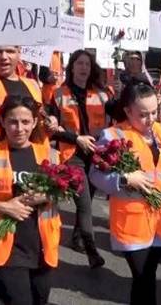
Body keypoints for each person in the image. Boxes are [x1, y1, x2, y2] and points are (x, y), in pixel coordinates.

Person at [90, 83, 161, 305]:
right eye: (142, 114)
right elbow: (95, 174)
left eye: (153, 112)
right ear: (127, 111)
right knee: (142, 276)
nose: (150, 118)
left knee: (148, 276)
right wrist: (124, 179)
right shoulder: (113, 135)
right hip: (133, 223)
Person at [0, 96, 62, 305]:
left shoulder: (51, 156)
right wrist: (4, 207)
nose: (19, 128)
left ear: (35, 122)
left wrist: (47, 195)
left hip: (42, 246)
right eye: (13, 122)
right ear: (2, 122)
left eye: (25, 122)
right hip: (5, 246)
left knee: (39, 299)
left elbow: (65, 190)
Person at [47, 49, 110, 267]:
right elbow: (52, 130)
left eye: (87, 64)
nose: (84, 67)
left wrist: (122, 95)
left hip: (96, 154)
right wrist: (76, 138)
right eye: (80, 63)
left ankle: (77, 238)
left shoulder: (102, 94)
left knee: (88, 201)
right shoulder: (58, 94)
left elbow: (118, 115)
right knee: (84, 203)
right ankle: (92, 251)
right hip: (72, 154)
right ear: (71, 67)